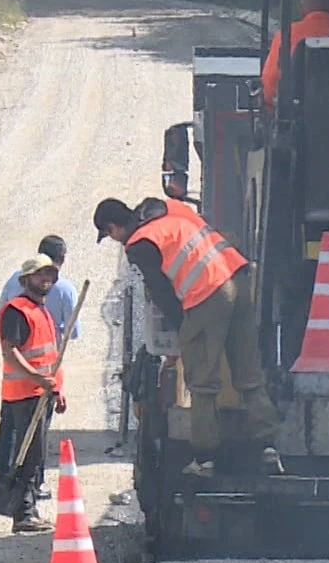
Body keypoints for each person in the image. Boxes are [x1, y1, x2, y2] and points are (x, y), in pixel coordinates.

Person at [93, 196, 282, 475]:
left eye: (110, 234)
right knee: (248, 374)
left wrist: (184, 331)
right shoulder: (170, 208)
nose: (116, 240)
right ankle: (269, 446)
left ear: (112, 227)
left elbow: (162, 293)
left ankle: (205, 458)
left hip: (209, 293)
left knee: (202, 382)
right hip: (237, 279)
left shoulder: (139, 244)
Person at [0, 254, 66, 533]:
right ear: (26, 280)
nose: (46, 279)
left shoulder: (41, 310)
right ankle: (23, 513)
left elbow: (49, 358)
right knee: (28, 455)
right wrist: (37, 378)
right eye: (40, 275)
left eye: (49, 274)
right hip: (24, 395)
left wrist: (56, 388)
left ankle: (29, 509)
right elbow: (9, 352)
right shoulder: (17, 311)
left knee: (36, 454)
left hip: (41, 393)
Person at [0, 235, 83, 343]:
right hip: (48, 355)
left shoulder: (16, 278)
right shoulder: (66, 289)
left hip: (17, 351)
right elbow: (73, 332)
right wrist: (54, 328)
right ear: (62, 259)